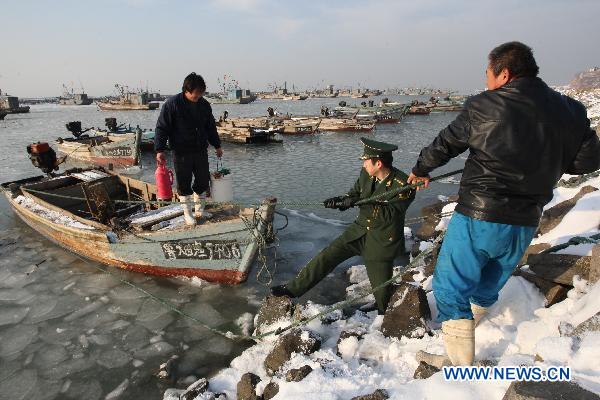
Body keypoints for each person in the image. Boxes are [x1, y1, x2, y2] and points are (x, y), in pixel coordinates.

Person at [407, 41, 600, 367]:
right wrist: (545, 158)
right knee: (486, 287)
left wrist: (420, 169)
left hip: (479, 216)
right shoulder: (571, 109)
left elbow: (446, 143)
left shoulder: (485, 105)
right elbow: (587, 160)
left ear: (504, 73)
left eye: (488, 74)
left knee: (450, 287)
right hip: (525, 221)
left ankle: (457, 367)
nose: (486, 82)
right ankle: (464, 338)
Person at [270, 138, 416, 315]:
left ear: (378, 163)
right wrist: (340, 200)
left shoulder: (404, 185)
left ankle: (383, 315)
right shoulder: (366, 175)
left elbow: (389, 215)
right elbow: (354, 193)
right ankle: (293, 288)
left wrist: (357, 201)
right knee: (327, 256)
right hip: (359, 231)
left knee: (382, 290)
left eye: (365, 161)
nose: (363, 165)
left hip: (382, 238)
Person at [155, 72, 223, 226]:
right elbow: (162, 128)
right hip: (181, 152)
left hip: (200, 150)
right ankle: (187, 214)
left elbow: (210, 127)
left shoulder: (204, 105)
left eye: (201, 93)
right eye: (196, 93)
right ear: (187, 90)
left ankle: (199, 210)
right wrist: (159, 150)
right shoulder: (172, 104)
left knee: (203, 180)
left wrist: (217, 145)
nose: (199, 96)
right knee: (184, 183)